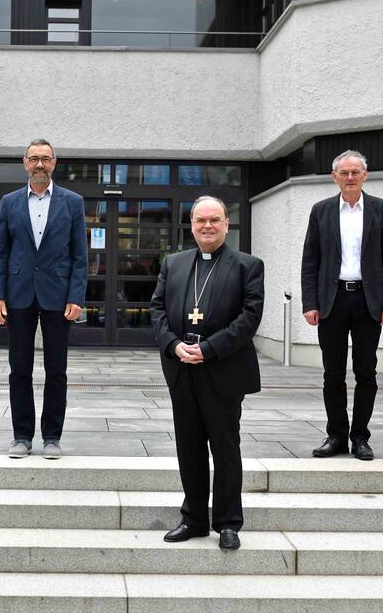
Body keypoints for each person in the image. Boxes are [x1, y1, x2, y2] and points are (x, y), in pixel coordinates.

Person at [149, 196, 264, 551]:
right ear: (192, 224)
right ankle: (194, 518)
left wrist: (208, 349)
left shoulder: (248, 265)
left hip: (223, 370)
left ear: (226, 223)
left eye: (215, 219)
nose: (207, 226)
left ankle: (228, 523)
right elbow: (156, 309)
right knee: (189, 448)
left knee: (226, 449)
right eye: (201, 220)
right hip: (182, 370)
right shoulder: (174, 263)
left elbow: (250, 318)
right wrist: (173, 345)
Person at [0, 138, 87, 459]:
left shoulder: (72, 203)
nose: (40, 164)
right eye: (34, 159)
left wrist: (76, 295)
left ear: (55, 163)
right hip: (18, 295)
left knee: (57, 370)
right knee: (19, 369)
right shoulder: (10, 202)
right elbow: (0, 253)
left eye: (45, 159)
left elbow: (79, 256)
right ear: (25, 163)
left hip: (58, 296)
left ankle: (52, 437)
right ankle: (21, 436)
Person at [301, 150, 383, 460]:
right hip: (332, 300)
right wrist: (310, 302)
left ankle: (360, 437)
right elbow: (311, 260)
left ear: (365, 175)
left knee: (365, 371)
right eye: (344, 173)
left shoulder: (382, 210)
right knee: (332, 373)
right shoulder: (322, 211)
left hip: (368, 301)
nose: (350, 177)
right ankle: (336, 435)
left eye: (355, 172)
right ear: (335, 177)